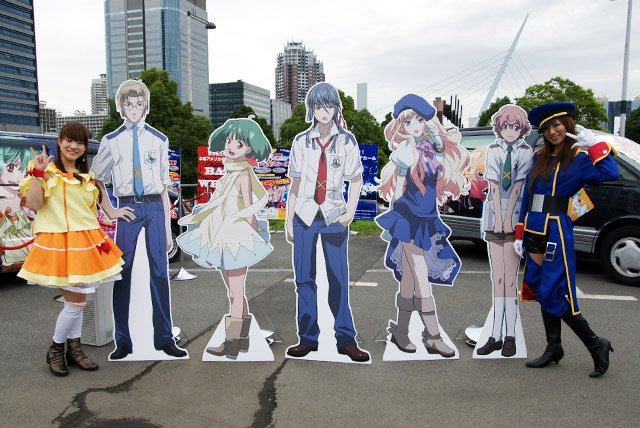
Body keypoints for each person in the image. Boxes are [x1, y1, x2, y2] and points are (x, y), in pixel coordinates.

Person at [515, 102, 618, 377]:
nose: (552, 132)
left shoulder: (580, 157)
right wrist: (520, 232)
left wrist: (596, 145)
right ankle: (554, 347)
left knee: (552, 291)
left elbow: (609, 173)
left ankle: (595, 344)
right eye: (547, 128)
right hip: (534, 227)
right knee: (538, 287)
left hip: (556, 229)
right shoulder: (539, 157)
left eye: (557, 125)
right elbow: (527, 196)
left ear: (567, 125)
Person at [18, 122, 124, 376]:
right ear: (60, 142)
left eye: (80, 142)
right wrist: (38, 174)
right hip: (60, 243)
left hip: (86, 243)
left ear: (85, 148)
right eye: (69, 140)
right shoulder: (46, 172)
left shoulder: (87, 177)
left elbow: (96, 209)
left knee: (78, 302)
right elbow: (34, 204)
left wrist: (115, 212)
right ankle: (56, 349)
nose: (74, 146)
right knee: (76, 303)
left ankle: (74, 352)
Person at [92, 79, 187, 360]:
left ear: (146, 106)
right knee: (123, 271)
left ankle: (164, 338)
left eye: (139, 104)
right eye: (128, 104)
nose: (133, 109)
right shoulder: (111, 141)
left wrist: (167, 230)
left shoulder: (158, 139)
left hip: (154, 206)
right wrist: (110, 210)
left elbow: (163, 186)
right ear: (121, 107)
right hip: (127, 207)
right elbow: (96, 179)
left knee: (159, 271)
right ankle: (123, 340)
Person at [376, 94, 470, 357]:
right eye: (408, 122)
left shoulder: (431, 149)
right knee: (420, 270)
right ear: (401, 126)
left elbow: (436, 183)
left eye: (419, 120)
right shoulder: (405, 151)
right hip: (408, 216)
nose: (415, 126)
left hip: (426, 216)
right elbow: (397, 191)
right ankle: (433, 335)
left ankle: (400, 331)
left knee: (409, 276)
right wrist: (400, 179)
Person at [285, 82, 370, 362]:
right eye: (318, 106)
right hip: (304, 216)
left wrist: (350, 214)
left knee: (338, 278)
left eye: (329, 105)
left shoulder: (347, 141)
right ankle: (307, 338)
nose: (324, 111)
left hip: (334, 215)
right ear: (311, 109)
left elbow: (356, 180)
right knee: (304, 280)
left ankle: (345, 339)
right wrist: (288, 219)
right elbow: (295, 185)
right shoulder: (301, 141)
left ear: (336, 108)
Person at [177, 117, 273, 359]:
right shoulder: (230, 171)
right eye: (229, 140)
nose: (231, 146)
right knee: (234, 291)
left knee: (235, 292)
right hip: (223, 236)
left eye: (238, 143)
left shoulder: (243, 175)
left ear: (249, 148)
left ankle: (232, 343)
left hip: (237, 239)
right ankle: (242, 340)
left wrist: (254, 236)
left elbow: (249, 208)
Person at [476, 104, 532, 357]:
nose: (510, 131)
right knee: (497, 278)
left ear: (522, 129)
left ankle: (510, 335)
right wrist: (498, 218)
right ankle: (495, 335)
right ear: (499, 127)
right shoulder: (493, 150)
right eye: (506, 126)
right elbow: (494, 186)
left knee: (511, 279)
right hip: (493, 215)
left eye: (515, 127)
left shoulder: (526, 152)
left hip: (516, 216)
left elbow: (518, 187)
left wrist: (508, 220)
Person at [0, 145, 34, 271]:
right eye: (11, 167)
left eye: (25, 173)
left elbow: (32, 217)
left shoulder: (22, 196)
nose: (19, 178)